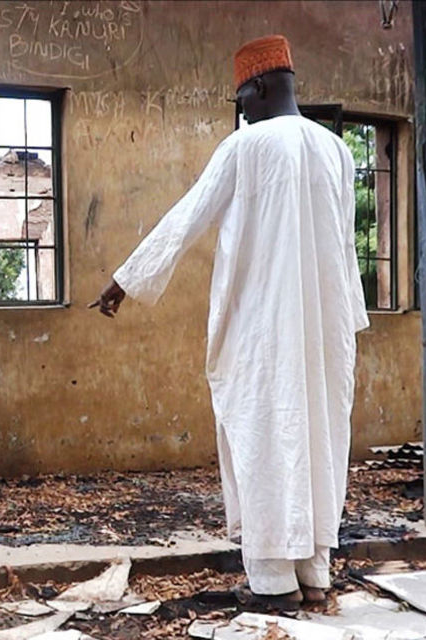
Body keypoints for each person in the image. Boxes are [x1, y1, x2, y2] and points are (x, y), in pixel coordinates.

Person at [91, 35, 369, 610]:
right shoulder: (336, 149)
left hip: (262, 332)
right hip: (324, 333)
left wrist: (125, 279)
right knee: (316, 437)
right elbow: (346, 251)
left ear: (262, 86)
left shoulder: (246, 148)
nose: (240, 105)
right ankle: (316, 572)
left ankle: (272, 582)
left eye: (242, 94)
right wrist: (347, 324)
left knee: (265, 434)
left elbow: (187, 217)